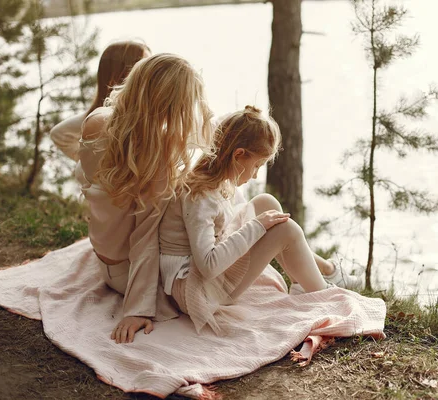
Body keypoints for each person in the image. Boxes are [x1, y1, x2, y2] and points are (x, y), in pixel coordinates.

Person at [158, 106, 361, 335]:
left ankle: (302, 284)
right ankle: (324, 294)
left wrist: (259, 224)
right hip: (196, 291)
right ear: (238, 155)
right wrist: (257, 227)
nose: (255, 175)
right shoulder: (200, 197)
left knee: (266, 202)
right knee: (287, 232)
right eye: (256, 166)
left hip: (196, 277)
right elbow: (209, 266)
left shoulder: (215, 180)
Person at [77, 53, 214, 343]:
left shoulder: (96, 122)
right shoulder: (158, 156)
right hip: (124, 274)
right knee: (202, 201)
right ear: (172, 105)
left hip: (105, 260)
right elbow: (145, 237)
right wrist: (138, 308)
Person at [50, 40, 151, 161]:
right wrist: (88, 163)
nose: (150, 71)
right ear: (122, 72)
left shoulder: (149, 110)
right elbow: (58, 134)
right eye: (143, 65)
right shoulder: (99, 117)